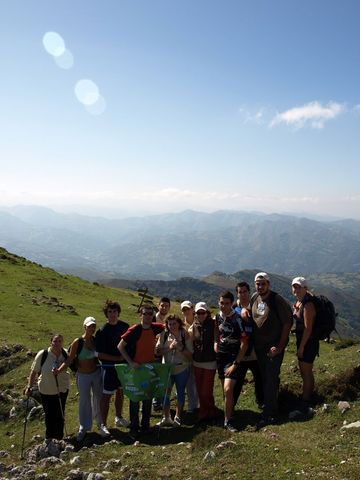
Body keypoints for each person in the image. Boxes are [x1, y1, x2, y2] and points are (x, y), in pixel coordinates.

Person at [244, 272, 292, 425]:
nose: (260, 286)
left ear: (269, 284)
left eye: (263, 283)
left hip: (273, 348)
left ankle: (270, 414)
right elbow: (251, 311)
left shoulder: (276, 300)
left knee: (270, 378)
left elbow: (287, 323)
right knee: (266, 377)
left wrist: (279, 346)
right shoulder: (254, 298)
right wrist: (245, 310)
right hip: (259, 347)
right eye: (258, 284)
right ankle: (272, 404)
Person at [118, 304, 164, 439]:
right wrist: (130, 362)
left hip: (149, 369)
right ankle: (134, 428)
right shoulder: (135, 330)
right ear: (141, 315)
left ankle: (145, 427)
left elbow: (168, 326)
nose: (148, 316)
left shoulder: (155, 327)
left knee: (148, 398)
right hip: (136, 370)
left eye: (150, 314)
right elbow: (120, 346)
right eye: (145, 314)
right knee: (135, 399)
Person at [57, 316, 103, 442]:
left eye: (93, 326)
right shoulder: (78, 342)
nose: (91, 329)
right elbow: (69, 359)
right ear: (84, 327)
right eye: (89, 326)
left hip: (96, 373)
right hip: (82, 375)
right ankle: (84, 427)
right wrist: (59, 370)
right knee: (84, 400)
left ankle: (100, 425)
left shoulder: (95, 341)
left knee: (98, 398)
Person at [215, 291, 249, 432]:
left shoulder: (237, 319)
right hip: (221, 356)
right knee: (225, 391)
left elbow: (245, 343)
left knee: (228, 389)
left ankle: (227, 421)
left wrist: (236, 363)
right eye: (222, 303)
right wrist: (215, 343)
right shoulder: (217, 316)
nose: (224, 306)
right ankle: (229, 414)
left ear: (232, 304)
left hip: (232, 358)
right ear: (219, 302)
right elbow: (216, 331)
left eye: (227, 303)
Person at [95, 300, 130, 437]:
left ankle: (119, 417)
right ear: (106, 314)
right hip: (108, 368)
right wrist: (117, 359)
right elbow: (100, 354)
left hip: (122, 368)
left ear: (118, 312)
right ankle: (103, 425)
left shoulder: (125, 327)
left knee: (120, 392)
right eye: (110, 312)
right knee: (107, 395)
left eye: (115, 311)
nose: (112, 314)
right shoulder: (102, 331)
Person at [25, 334, 70, 440]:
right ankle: (49, 438)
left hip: (62, 389)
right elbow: (34, 372)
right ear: (51, 342)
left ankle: (59, 437)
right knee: (49, 415)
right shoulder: (43, 354)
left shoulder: (65, 353)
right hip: (46, 390)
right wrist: (29, 387)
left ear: (62, 343)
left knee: (60, 414)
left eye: (59, 341)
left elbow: (71, 364)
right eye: (55, 341)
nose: (57, 343)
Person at [155, 314, 193, 427]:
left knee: (180, 392)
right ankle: (166, 417)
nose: (172, 326)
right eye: (169, 324)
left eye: (174, 323)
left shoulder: (184, 334)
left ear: (179, 323)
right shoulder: (164, 334)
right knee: (166, 393)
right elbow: (157, 352)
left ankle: (178, 417)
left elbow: (190, 356)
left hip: (182, 368)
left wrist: (181, 348)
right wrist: (170, 348)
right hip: (167, 369)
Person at [233, 282, 263, 409]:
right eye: (240, 292)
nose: (243, 294)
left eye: (245, 291)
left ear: (249, 292)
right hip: (240, 352)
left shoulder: (257, 305)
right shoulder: (233, 308)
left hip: (255, 351)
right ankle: (231, 406)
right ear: (237, 293)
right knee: (238, 381)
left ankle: (261, 402)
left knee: (260, 379)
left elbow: (262, 318)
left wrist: (248, 310)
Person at [291, 276, 318, 415]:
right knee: (303, 371)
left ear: (305, 288)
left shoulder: (308, 304)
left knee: (306, 372)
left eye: (298, 287)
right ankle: (307, 396)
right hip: (303, 341)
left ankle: (306, 400)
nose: (296, 289)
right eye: (294, 286)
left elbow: (308, 328)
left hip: (308, 342)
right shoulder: (300, 302)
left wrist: (301, 347)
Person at [189, 302, 220, 423]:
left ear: (207, 313)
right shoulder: (194, 325)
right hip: (197, 362)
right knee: (200, 389)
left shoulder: (213, 324)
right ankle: (209, 411)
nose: (201, 315)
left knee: (205, 391)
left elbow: (217, 338)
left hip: (210, 361)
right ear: (195, 313)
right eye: (198, 313)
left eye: (203, 312)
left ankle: (204, 413)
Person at [153, 297, 171, 411]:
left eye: (166, 306)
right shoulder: (153, 318)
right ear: (158, 305)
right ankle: (155, 402)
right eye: (162, 305)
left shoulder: (169, 319)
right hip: (154, 352)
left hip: (166, 352)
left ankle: (159, 401)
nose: (164, 307)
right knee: (154, 377)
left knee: (162, 378)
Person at [181, 300, 199, 413]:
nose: (186, 311)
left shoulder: (198, 323)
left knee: (197, 381)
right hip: (185, 356)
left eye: (188, 308)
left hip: (198, 356)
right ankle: (192, 405)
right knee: (188, 381)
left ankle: (198, 404)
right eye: (184, 309)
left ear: (192, 309)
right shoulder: (181, 326)